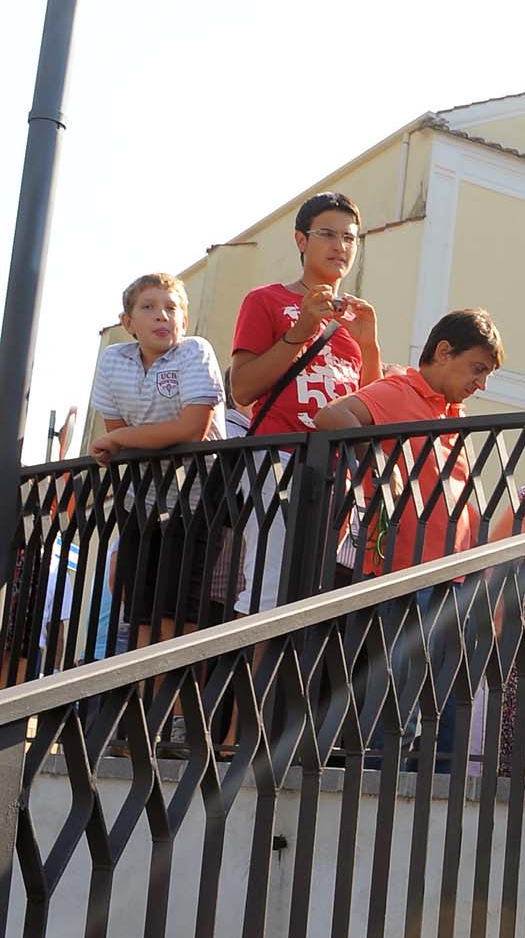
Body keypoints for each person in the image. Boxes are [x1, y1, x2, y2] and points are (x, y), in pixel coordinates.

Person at [228, 192, 381, 609]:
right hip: (279, 457)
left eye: (349, 238)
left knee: (312, 596)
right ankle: (252, 657)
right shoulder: (266, 300)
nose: (340, 246)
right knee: (269, 590)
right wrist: (300, 332)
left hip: (336, 470)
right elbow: (242, 388)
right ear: (301, 240)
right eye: (328, 234)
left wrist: (369, 346)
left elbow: (370, 409)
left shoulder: (354, 320)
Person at [90, 270, 227, 648]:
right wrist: (123, 439)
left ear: (185, 319)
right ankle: (148, 684)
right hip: (143, 496)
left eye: (171, 308)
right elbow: (120, 436)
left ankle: (178, 687)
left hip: (198, 497)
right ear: (128, 322)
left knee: (181, 608)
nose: (161, 316)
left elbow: (192, 429)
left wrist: (120, 439)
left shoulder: (195, 352)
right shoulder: (114, 360)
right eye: (148, 307)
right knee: (141, 608)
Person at [312, 306, 503, 569]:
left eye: (486, 375)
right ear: (444, 352)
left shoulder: (455, 414)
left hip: (447, 572)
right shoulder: (400, 391)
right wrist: (380, 462)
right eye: (477, 369)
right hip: (398, 571)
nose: (481, 384)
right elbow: (330, 414)